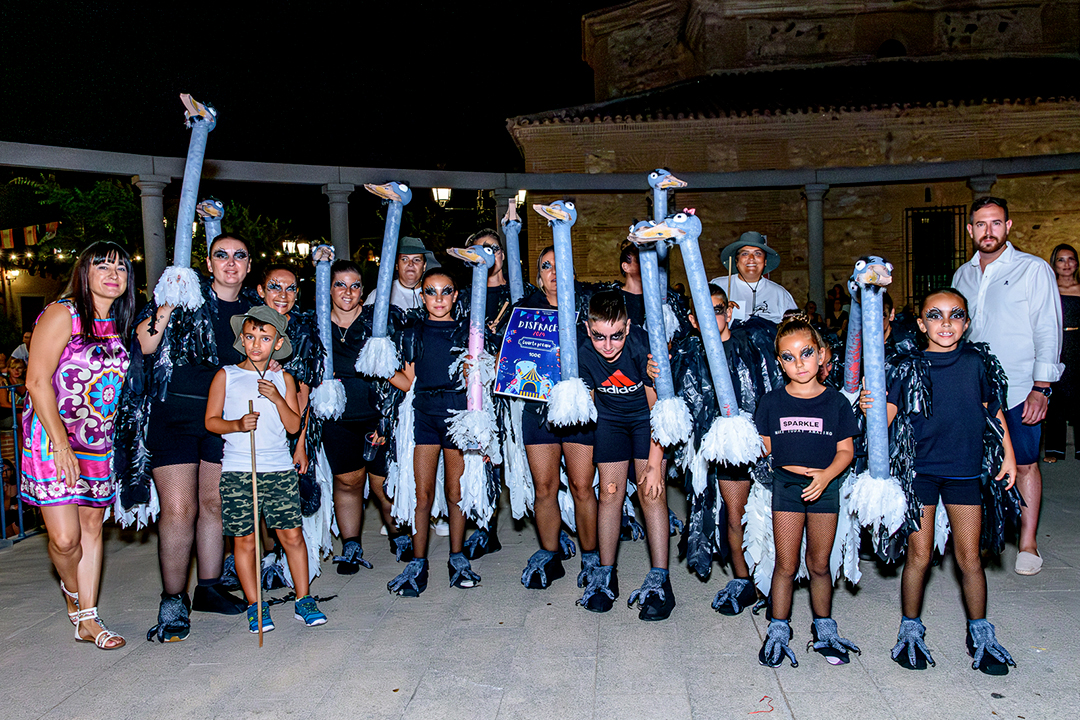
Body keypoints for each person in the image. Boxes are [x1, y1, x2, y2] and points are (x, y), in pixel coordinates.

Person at [862, 288, 1018, 674]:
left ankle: (980, 632)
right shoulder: (907, 366)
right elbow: (885, 420)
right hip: (920, 473)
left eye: (955, 314)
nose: (945, 323)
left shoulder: (977, 363)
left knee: (970, 557)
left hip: (965, 470)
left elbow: (993, 412)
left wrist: (1009, 457)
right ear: (920, 324)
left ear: (966, 322)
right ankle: (910, 629)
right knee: (919, 556)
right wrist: (870, 406)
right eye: (935, 315)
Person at [132, 233, 258, 643]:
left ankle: (208, 587)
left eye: (239, 256)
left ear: (249, 265)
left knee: (213, 504)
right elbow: (146, 344)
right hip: (174, 415)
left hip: (224, 420)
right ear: (208, 263)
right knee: (179, 509)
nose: (231, 263)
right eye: (221, 255)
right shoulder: (184, 297)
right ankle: (172, 599)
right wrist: (167, 300)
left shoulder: (254, 310)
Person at [20, 241, 136, 649]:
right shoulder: (62, 313)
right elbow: (36, 381)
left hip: (99, 441)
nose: (112, 274)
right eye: (102, 266)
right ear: (83, 273)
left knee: (91, 528)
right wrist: (61, 444)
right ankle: (73, 593)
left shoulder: (123, 324)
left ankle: (88, 617)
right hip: (54, 439)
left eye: (121, 268)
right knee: (65, 539)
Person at [952, 197, 1063, 576]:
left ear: (1009, 226)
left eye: (996, 223)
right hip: (974, 388)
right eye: (981, 224)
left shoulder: (1033, 269)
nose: (989, 231)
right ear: (970, 230)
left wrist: (1042, 387)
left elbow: (1048, 327)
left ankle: (1028, 542)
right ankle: (986, 536)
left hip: (1019, 386)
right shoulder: (962, 276)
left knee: (1027, 463)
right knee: (981, 463)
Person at [205, 306, 327, 633]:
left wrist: (277, 397)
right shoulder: (226, 376)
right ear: (241, 340)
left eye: (265, 337)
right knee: (245, 541)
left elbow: (291, 425)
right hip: (238, 471)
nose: (256, 343)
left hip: (278, 469)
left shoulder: (282, 378)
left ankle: (304, 599)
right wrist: (236, 424)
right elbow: (211, 421)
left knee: (292, 536)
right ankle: (255, 605)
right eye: (250, 336)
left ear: (277, 343)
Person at [754, 316, 860, 668]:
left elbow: (846, 450)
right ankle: (778, 629)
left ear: (822, 355)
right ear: (779, 362)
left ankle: (824, 629)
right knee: (785, 564)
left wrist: (827, 476)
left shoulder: (836, 403)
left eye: (806, 353)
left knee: (818, 563)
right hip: (786, 486)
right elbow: (765, 446)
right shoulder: (771, 403)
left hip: (824, 486)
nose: (798, 363)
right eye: (788, 357)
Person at [670, 284, 782, 613]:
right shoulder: (688, 355)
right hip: (723, 448)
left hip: (764, 443)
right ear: (692, 319)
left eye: (717, 310)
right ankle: (743, 579)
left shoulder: (754, 344)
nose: (711, 317)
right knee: (735, 516)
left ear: (728, 312)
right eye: (703, 313)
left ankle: (774, 578)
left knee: (772, 516)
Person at [576, 290, 672, 620]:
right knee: (610, 493)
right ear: (589, 329)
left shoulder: (642, 346)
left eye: (616, 335)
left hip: (646, 420)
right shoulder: (585, 351)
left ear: (628, 327)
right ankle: (605, 575)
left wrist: (656, 464)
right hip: (611, 422)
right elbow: (585, 403)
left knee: (651, 492)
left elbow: (658, 410)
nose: (608, 345)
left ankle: (661, 580)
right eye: (600, 336)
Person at [386, 268, 478, 596]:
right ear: (422, 296)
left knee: (455, 493)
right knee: (422, 495)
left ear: (456, 295)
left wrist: (478, 370)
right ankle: (418, 561)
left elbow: (480, 377)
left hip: (456, 416)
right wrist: (381, 366)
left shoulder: (469, 330)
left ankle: (457, 556)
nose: (438, 299)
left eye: (445, 291)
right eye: (431, 292)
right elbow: (408, 380)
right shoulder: (412, 331)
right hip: (423, 416)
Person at [517, 247, 601, 592]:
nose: (553, 271)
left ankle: (592, 557)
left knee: (583, 485)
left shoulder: (589, 308)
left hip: (579, 409)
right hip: (538, 409)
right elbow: (512, 359)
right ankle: (550, 555)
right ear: (538, 275)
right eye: (546, 266)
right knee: (544, 488)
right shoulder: (524, 310)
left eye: (560, 264)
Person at [323, 259, 411, 571]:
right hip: (337, 420)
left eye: (355, 285)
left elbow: (406, 378)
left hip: (378, 416)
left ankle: (399, 535)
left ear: (363, 291)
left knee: (383, 483)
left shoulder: (380, 322)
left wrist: (381, 368)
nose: (347, 291)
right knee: (348, 481)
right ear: (328, 288)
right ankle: (351, 544)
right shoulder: (317, 325)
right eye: (340, 284)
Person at [1043, 243, 1080, 463]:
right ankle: (1054, 451)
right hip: (1055, 343)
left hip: (1078, 343)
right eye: (1061, 260)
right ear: (1054, 264)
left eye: (1071, 259)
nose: (1067, 264)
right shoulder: (1047, 288)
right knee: (1055, 395)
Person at [710, 231, 797, 324]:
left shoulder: (780, 294)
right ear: (736, 261)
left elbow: (796, 329)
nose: (751, 258)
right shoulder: (718, 286)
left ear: (765, 261)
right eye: (745, 254)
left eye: (758, 253)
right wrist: (719, 311)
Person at [363, 236, 440, 312]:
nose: (410, 264)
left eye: (416, 260)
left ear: (424, 266)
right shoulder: (380, 294)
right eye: (404, 259)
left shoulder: (436, 294)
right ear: (397, 265)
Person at [0, 357, 27, 428]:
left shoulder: (26, 383)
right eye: (13, 368)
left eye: (20, 368)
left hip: (22, 410)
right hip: (6, 413)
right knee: (19, 414)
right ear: (8, 369)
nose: (16, 370)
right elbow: (3, 403)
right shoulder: (4, 382)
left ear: (24, 369)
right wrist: (22, 407)